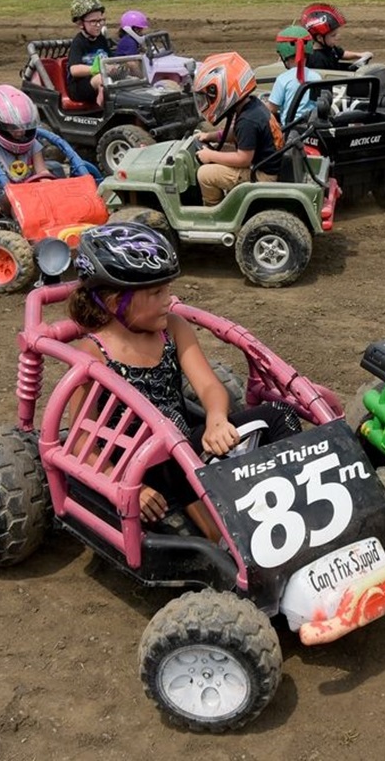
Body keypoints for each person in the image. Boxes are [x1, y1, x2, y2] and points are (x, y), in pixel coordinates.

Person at [67, 222, 302, 540]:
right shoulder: (93, 355)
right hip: (142, 463)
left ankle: (291, 500)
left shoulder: (172, 328)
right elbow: (81, 440)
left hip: (183, 443)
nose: (169, 298)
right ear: (113, 303)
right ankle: (229, 544)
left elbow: (207, 385)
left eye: (167, 288)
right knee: (170, 451)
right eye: (156, 292)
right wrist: (121, 482)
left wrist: (217, 419)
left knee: (279, 413)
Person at [194, 52, 284, 205]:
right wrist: (210, 137)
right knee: (221, 153)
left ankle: (213, 214)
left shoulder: (248, 120)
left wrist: (210, 156)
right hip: (265, 165)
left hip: (262, 176)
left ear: (225, 91)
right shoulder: (252, 106)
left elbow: (243, 159)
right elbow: (238, 134)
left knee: (205, 174)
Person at [0, 85, 48, 216]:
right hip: (6, 197)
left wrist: (48, 184)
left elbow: (42, 170)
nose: (20, 132)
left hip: (31, 191)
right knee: (15, 203)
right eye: (13, 128)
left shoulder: (34, 145)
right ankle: (26, 229)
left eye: (25, 127)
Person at [267, 25, 322, 123]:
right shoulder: (316, 77)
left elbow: (272, 109)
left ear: (283, 55)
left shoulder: (283, 79)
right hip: (311, 128)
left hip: (290, 131)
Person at [67, 0, 113, 105]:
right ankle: (103, 105)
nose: (98, 25)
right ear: (80, 23)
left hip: (100, 80)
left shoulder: (101, 39)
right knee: (101, 79)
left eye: (101, 20)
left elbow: (111, 59)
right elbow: (74, 70)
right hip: (80, 87)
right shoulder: (78, 42)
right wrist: (93, 69)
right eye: (93, 21)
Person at [301, 4, 371, 70]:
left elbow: (342, 54)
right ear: (320, 38)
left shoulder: (330, 48)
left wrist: (359, 55)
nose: (337, 37)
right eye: (333, 35)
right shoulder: (316, 59)